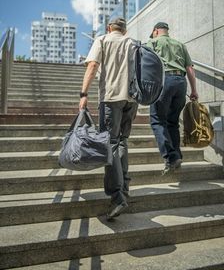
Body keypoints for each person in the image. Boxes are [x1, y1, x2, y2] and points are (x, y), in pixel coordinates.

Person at [79, 17, 138, 221]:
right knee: (121, 142)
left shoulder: (102, 40)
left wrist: (83, 94)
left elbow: (93, 65)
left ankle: (117, 196)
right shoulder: (133, 43)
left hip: (111, 97)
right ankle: (125, 186)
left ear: (109, 27)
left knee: (110, 144)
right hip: (132, 99)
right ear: (125, 29)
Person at [147, 22, 198, 175]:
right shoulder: (180, 44)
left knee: (157, 120)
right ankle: (177, 155)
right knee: (172, 122)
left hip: (164, 82)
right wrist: (194, 90)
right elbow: (189, 68)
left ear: (155, 31)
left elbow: (147, 66)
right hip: (181, 84)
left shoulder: (152, 42)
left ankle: (171, 156)